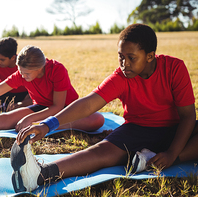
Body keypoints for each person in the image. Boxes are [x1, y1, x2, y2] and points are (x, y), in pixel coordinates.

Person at [10, 23, 198, 193]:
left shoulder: (174, 68)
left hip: (176, 128)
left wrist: (173, 155)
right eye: (121, 57)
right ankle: (40, 175)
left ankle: (152, 159)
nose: (125, 64)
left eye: (131, 58)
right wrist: (47, 124)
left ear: (150, 56)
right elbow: (89, 103)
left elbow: (188, 116)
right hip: (137, 129)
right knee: (100, 152)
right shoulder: (121, 77)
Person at [0, 45, 105, 146]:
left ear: (40, 68)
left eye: (26, 73)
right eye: (20, 72)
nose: (22, 76)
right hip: (41, 107)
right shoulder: (21, 74)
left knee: (97, 120)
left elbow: (57, 107)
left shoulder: (57, 70)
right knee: (3, 119)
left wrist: (34, 120)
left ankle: (40, 126)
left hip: (66, 109)